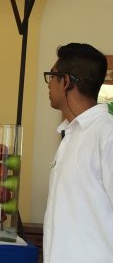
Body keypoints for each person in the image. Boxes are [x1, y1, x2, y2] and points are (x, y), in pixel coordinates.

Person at [43, 43, 113, 262]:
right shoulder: (71, 133)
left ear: (66, 81)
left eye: (51, 76)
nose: (49, 85)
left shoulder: (106, 133)